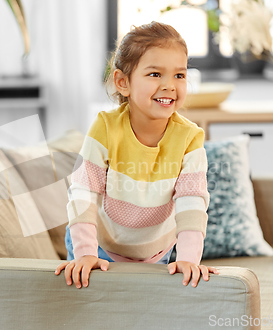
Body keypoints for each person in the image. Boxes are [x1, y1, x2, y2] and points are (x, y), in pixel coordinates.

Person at [55, 21, 219, 289]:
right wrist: (85, 253)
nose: (169, 85)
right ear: (123, 82)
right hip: (98, 245)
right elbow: (83, 192)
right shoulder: (105, 128)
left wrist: (189, 259)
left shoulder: (190, 138)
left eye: (179, 75)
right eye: (155, 74)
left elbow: (192, 202)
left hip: (155, 252)